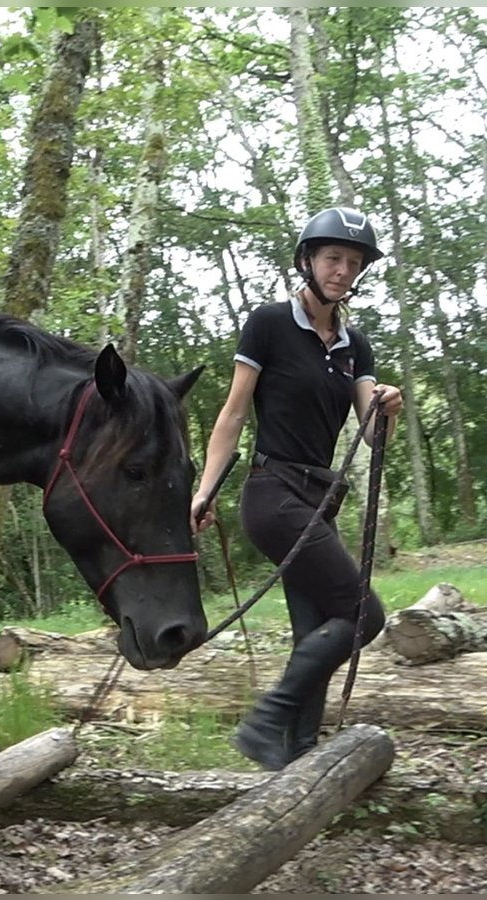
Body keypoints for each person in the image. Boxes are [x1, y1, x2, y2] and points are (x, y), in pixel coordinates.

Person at [191, 206, 404, 771]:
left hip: (318, 503)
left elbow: (369, 426)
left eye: (353, 262)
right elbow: (233, 415)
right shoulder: (269, 323)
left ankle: (298, 758)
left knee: (316, 631)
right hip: (272, 494)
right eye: (333, 257)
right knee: (364, 616)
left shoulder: (354, 344)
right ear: (308, 260)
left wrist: (387, 407)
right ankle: (266, 721)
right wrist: (205, 490)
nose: (342, 270)